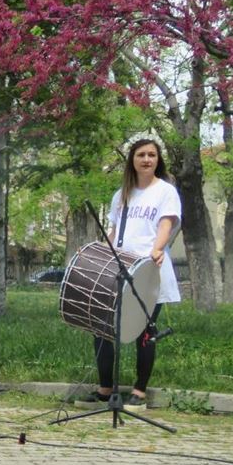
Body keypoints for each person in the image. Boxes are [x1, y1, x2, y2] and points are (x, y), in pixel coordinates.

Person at [82, 138, 181, 410]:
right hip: (121, 269)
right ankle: (104, 388)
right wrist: (101, 253)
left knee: (144, 332)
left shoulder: (165, 191)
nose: (147, 159)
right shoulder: (121, 194)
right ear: (132, 160)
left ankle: (139, 391)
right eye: (141, 155)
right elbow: (115, 234)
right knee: (103, 328)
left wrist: (158, 249)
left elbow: (166, 224)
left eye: (151, 155)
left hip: (150, 269)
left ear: (158, 160)